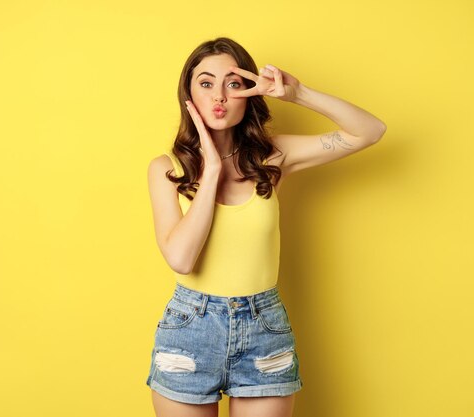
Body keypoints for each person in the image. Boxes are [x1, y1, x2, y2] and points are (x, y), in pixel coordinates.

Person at [145, 37, 386, 417]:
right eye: (206, 83)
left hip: (263, 329)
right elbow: (181, 259)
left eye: (234, 83)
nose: (219, 95)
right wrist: (211, 171)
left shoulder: (272, 157)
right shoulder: (166, 169)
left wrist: (299, 94)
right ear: (188, 95)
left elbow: (369, 131)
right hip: (190, 328)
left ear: (249, 93)